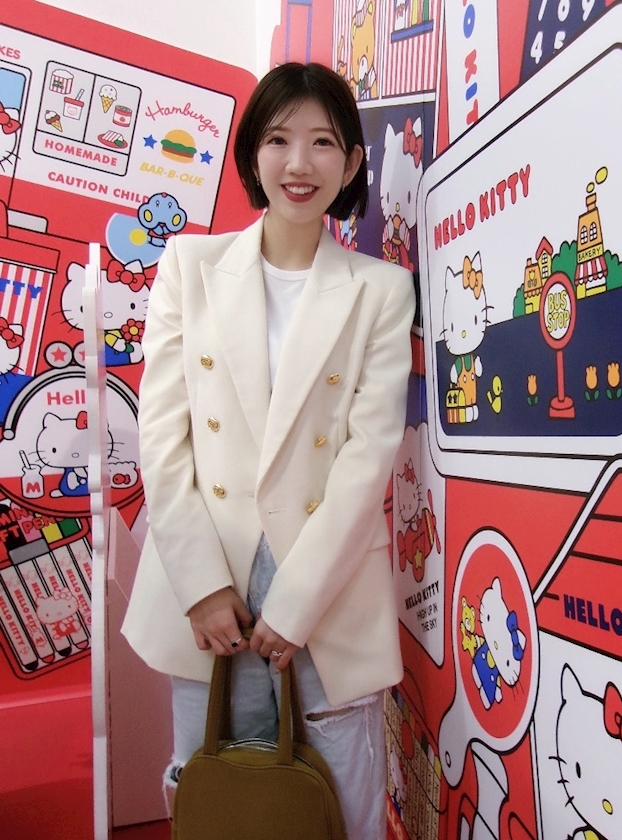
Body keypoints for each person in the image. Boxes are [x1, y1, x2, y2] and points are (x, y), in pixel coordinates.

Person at [122, 62, 415, 839]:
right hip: (208, 593)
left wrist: (294, 604)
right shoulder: (189, 267)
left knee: (340, 807)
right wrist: (200, 586)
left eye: (324, 142)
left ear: (352, 163)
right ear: (253, 152)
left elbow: (367, 456)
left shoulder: (381, 290)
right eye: (280, 139)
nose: (299, 163)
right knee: (220, 800)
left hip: (326, 592)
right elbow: (164, 437)